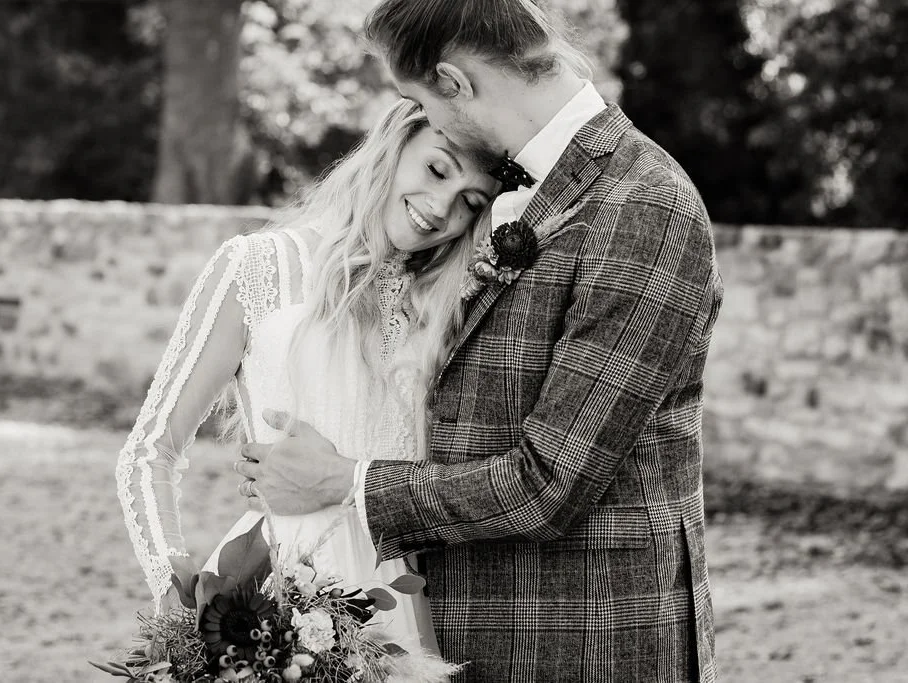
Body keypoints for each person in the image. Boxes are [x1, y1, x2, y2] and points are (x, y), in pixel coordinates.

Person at [235, 0, 725, 680]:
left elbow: (549, 482)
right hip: (456, 633)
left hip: (582, 644)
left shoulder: (643, 205)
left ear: (455, 82)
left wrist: (344, 480)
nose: (427, 125)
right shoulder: (520, 192)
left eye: (420, 101)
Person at [115, 99, 498, 652]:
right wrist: (177, 597)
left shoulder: (448, 309)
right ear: (394, 146)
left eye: (470, 202)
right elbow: (151, 450)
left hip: (402, 609)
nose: (440, 209)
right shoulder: (258, 268)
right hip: (272, 601)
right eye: (436, 170)